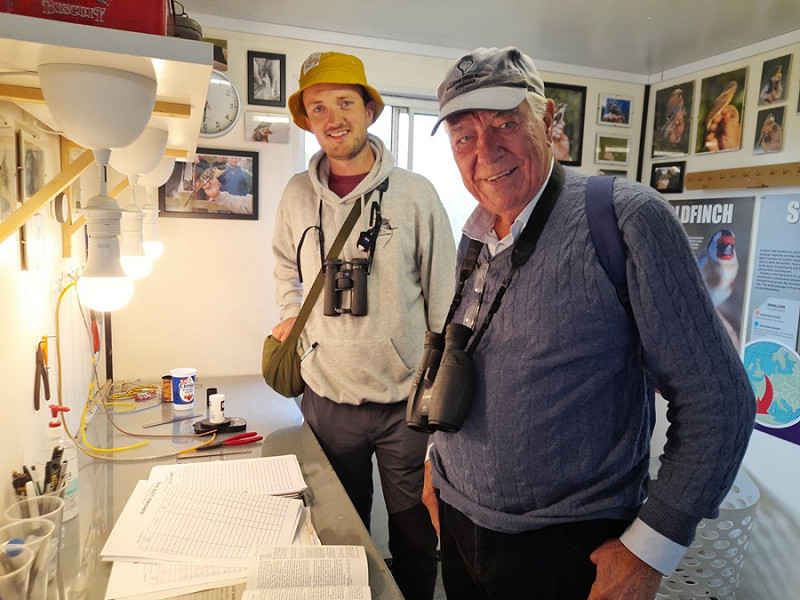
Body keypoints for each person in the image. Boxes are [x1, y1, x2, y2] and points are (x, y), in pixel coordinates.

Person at [422, 46, 755, 600]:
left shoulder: (627, 217)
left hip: (570, 552)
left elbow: (720, 401)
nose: (486, 151)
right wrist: (438, 461)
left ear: (550, 120)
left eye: (506, 123)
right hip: (460, 525)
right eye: (464, 137)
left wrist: (649, 551)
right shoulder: (475, 234)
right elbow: (472, 358)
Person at [271, 51, 455, 599]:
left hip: (406, 406)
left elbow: (444, 290)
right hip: (328, 398)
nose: (333, 117)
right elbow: (284, 264)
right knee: (341, 532)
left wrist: (438, 386)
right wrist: (288, 315)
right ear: (306, 118)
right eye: (317, 106)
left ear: (369, 110)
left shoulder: (417, 193)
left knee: (415, 535)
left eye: (345, 102)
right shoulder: (295, 196)